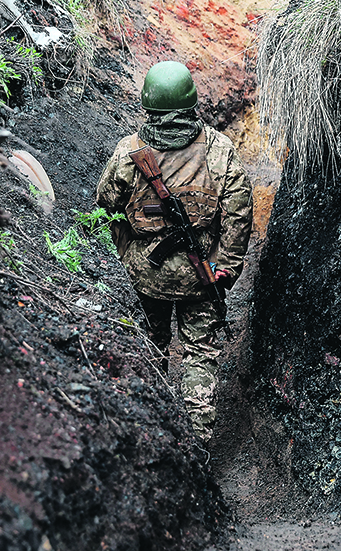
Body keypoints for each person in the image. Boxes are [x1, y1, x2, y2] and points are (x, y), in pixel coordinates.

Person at [95, 61, 253, 441]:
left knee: (152, 345)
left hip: (145, 275)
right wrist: (226, 266)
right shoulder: (219, 150)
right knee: (199, 354)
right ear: (191, 101)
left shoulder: (129, 151)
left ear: (149, 104)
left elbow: (105, 205)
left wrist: (123, 254)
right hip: (202, 276)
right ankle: (197, 444)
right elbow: (239, 213)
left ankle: (153, 430)